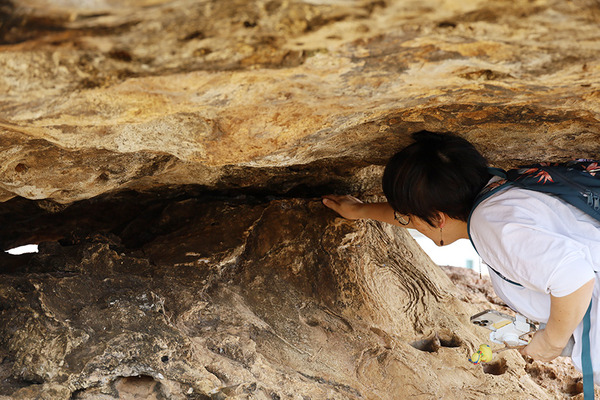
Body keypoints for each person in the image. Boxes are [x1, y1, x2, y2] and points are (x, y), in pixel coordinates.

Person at [322, 130, 599, 385]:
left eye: (411, 216)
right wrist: (361, 211)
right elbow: (429, 218)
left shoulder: (490, 224)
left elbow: (573, 277)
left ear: (439, 217)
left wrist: (551, 341)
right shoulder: (500, 191)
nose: (408, 222)